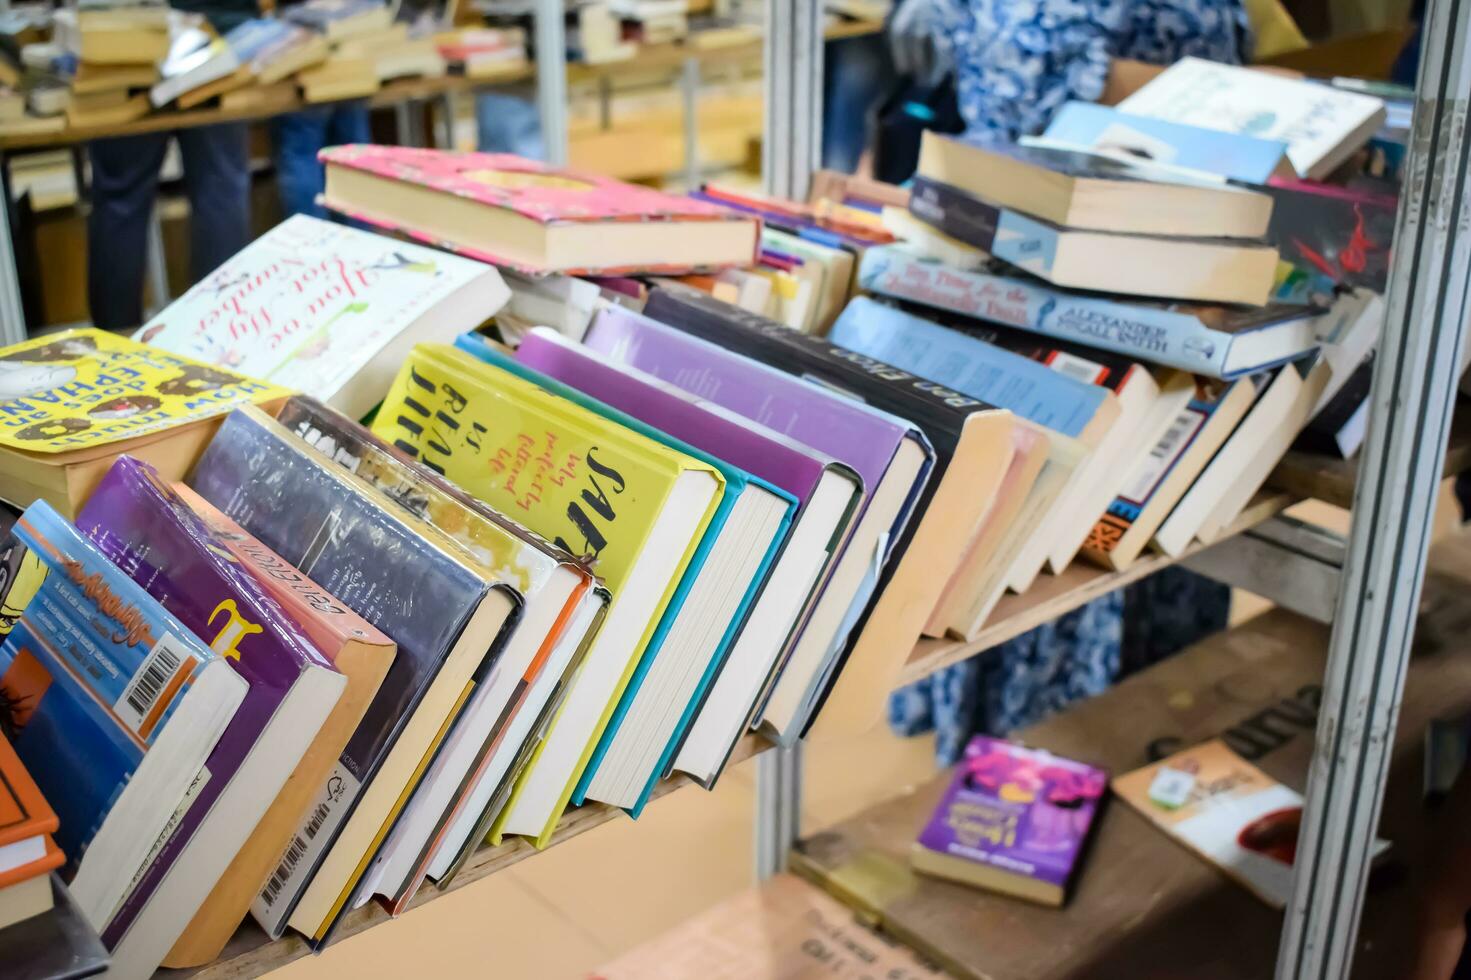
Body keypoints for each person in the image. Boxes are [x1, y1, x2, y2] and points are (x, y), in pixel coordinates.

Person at [883, 0, 1242, 764]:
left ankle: (1138, 747)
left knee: (1152, 526)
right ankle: (1030, 771)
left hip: (1188, 263)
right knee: (1044, 546)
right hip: (1056, 266)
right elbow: (1016, 73)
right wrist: (1233, 100)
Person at [86, 0, 258, 330]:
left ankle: (114, 346)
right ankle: (220, 330)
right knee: (220, 187)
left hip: (126, 34)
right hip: (214, 33)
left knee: (122, 198)